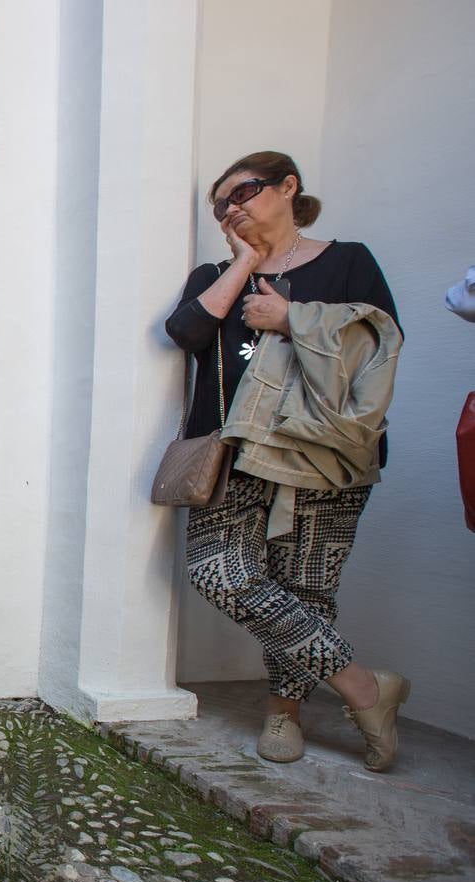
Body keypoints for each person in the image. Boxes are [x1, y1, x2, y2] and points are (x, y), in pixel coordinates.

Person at [165, 151, 410, 772]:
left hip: (327, 451)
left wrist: (292, 317)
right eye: (220, 205)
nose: (232, 208)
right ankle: (365, 689)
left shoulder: (349, 260)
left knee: (308, 585)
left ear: (288, 186)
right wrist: (246, 261)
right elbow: (187, 334)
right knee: (220, 571)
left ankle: (285, 710)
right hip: (234, 449)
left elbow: (379, 343)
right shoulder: (215, 273)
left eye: (242, 192)